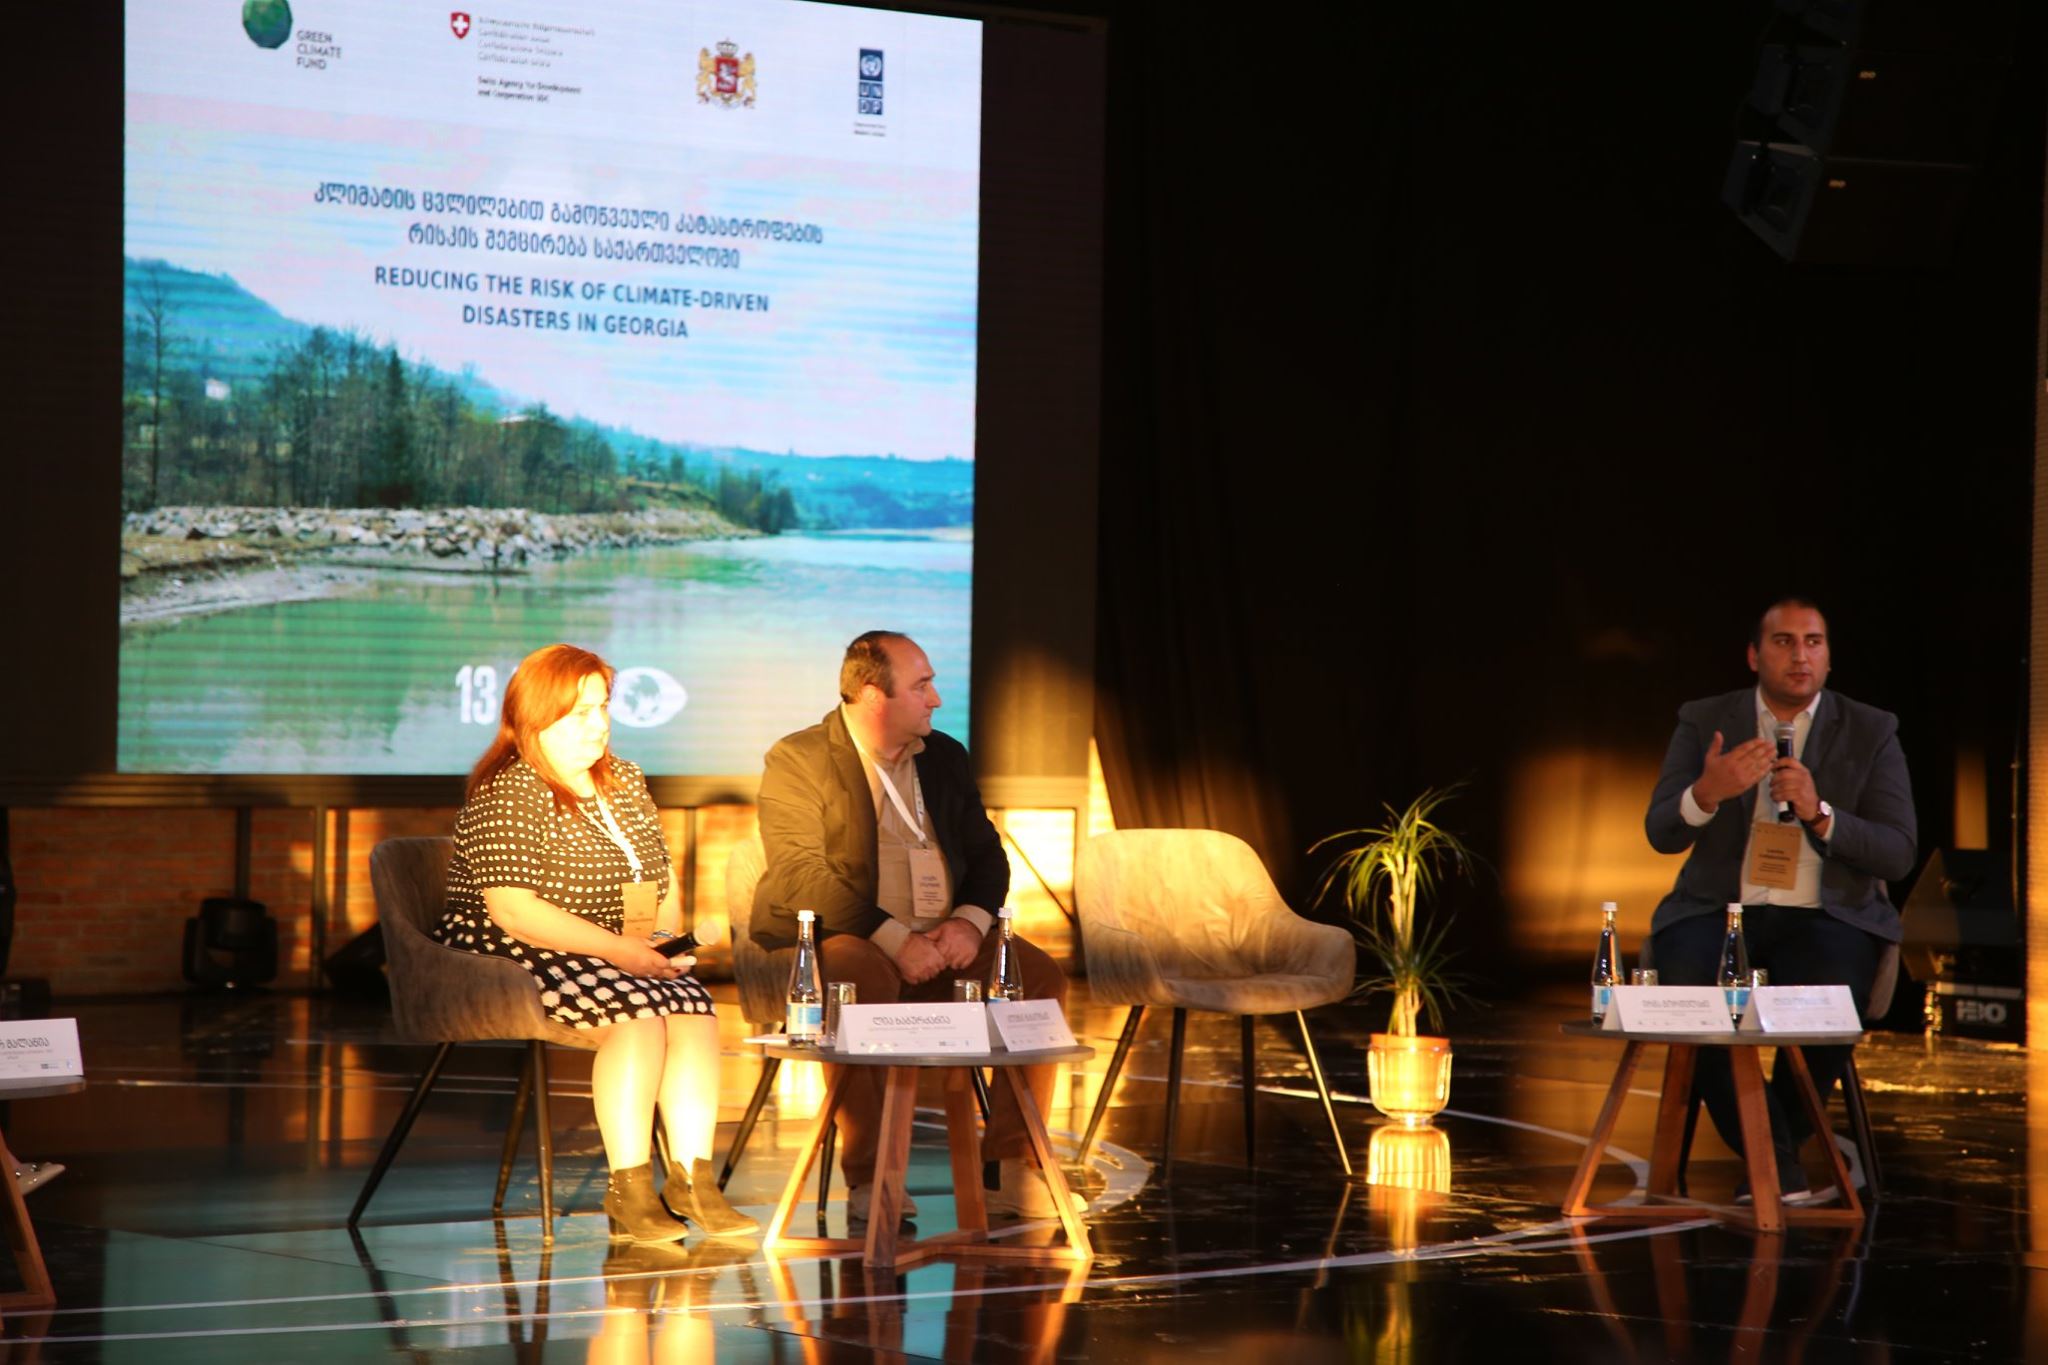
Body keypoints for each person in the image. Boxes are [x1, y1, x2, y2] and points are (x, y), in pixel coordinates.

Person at [433, 643, 757, 1243]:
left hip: (608, 949)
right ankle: (629, 1188)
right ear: (536, 717)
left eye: (603, 707)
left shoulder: (625, 779)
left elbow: (660, 878)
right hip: (511, 953)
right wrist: (619, 952)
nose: (599, 724)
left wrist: (663, 941)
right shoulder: (509, 790)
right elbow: (514, 911)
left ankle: (692, 1180)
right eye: (581, 712)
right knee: (637, 1015)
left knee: (691, 1005)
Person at [753, 630, 1079, 1221]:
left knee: (1038, 978)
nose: (936, 699)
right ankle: (872, 1176)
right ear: (872, 695)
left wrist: (969, 924)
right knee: (852, 981)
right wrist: (896, 939)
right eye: (922, 685)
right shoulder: (801, 758)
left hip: (945, 937)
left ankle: (1012, 1168)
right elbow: (802, 876)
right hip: (853, 937)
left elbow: (987, 856)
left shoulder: (944, 756)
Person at [1643, 598, 1917, 1201]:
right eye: (1784, 642)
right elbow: (1661, 830)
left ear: (1828, 656)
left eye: (1813, 642)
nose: (1801, 656)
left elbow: (1898, 852)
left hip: (1827, 913)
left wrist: (1821, 814)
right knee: (1691, 994)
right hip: (1719, 909)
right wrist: (1706, 793)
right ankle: (1778, 1160)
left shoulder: (1871, 729)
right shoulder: (1705, 719)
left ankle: (1773, 1154)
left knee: (1830, 997)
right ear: (1753, 655)